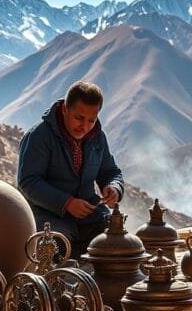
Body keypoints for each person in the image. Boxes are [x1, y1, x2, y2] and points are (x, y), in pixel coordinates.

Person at [17, 81, 124, 259]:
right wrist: (67, 203)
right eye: (79, 118)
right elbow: (28, 182)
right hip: (49, 217)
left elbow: (111, 172)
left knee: (120, 244)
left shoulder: (97, 137)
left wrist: (114, 188)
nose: (85, 126)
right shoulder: (39, 136)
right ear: (65, 109)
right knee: (55, 251)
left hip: (90, 215)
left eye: (91, 120)